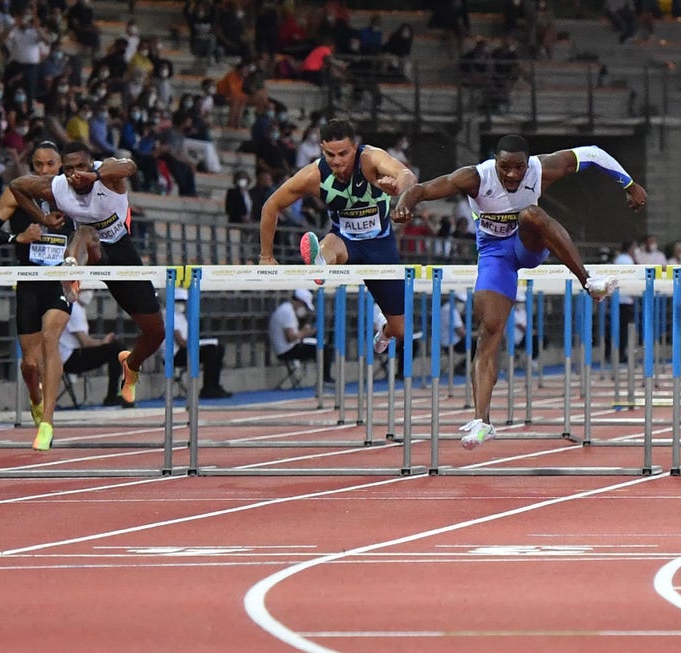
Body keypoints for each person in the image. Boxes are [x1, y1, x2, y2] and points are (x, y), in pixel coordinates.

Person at [392, 134, 647, 449]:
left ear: (529, 163)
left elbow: (593, 153)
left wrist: (629, 184)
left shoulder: (543, 169)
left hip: (528, 245)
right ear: (494, 162)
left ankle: (588, 281)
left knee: (531, 214)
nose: (512, 175)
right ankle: (482, 420)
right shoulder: (475, 177)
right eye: (505, 168)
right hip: (494, 255)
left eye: (519, 168)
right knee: (488, 331)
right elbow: (423, 189)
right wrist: (405, 201)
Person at [9, 141, 166, 407]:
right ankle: (71, 273)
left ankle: (132, 364)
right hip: (86, 249)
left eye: (80, 167)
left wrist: (93, 175)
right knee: (85, 232)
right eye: (68, 169)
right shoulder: (58, 187)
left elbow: (130, 165)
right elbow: (17, 186)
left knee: (155, 332)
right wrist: (43, 218)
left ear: (91, 164)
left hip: (120, 253)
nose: (74, 174)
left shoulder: (108, 176)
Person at [259, 119, 418, 356]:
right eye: (329, 154)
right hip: (345, 240)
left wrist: (400, 191)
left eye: (343, 153)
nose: (336, 161)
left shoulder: (371, 159)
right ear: (322, 150)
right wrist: (266, 255)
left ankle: (383, 333)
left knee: (401, 330)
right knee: (331, 244)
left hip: (380, 247)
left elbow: (407, 175)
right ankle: (320, 263)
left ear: (355, 147)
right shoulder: (314, 175)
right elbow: (272, 205)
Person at [0, 141, 68, 451]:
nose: (44, 170)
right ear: (32, 167)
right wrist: (19, 237)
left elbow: (87, 231)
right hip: (28, 282)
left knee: (50, 340)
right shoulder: (17, 192)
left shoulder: (70, 194)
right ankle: (35, 396)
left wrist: (76, 263)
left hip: (57, 282)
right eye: (39, 165)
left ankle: (48, 422)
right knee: (29, 364)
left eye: (50, 165)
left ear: (60, 167)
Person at [59, 290, 130, 407]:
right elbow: (85, 342)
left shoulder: (79, 308)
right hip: (69, 358)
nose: (90, 293)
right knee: (116, 349)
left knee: (117, 348)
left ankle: (115, 393)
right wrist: (103, 342)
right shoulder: (73, 308)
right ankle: (112, 395)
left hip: (74, 354)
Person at [170, 288, 233, 399]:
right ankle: (208, 389)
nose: (181, 304)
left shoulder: (180, 316)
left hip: (183, 350)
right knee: (212, 351)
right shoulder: (169, 315)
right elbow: (181, 341)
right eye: (178, 301)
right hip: (174, 354)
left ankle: (213, 385)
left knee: (218, 348)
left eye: (183, 301)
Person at [268, 289, 333, 384]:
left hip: (288, 347)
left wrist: (307, 332)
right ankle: (325, 378)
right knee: (323, 348)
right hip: (287, 350)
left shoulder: (287, 310)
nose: (304, 308)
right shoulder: (287, 312)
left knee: (320, 344)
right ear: (299, 302)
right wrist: (304, 332)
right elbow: (290, 338)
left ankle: (324, 377)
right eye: (304, 305)